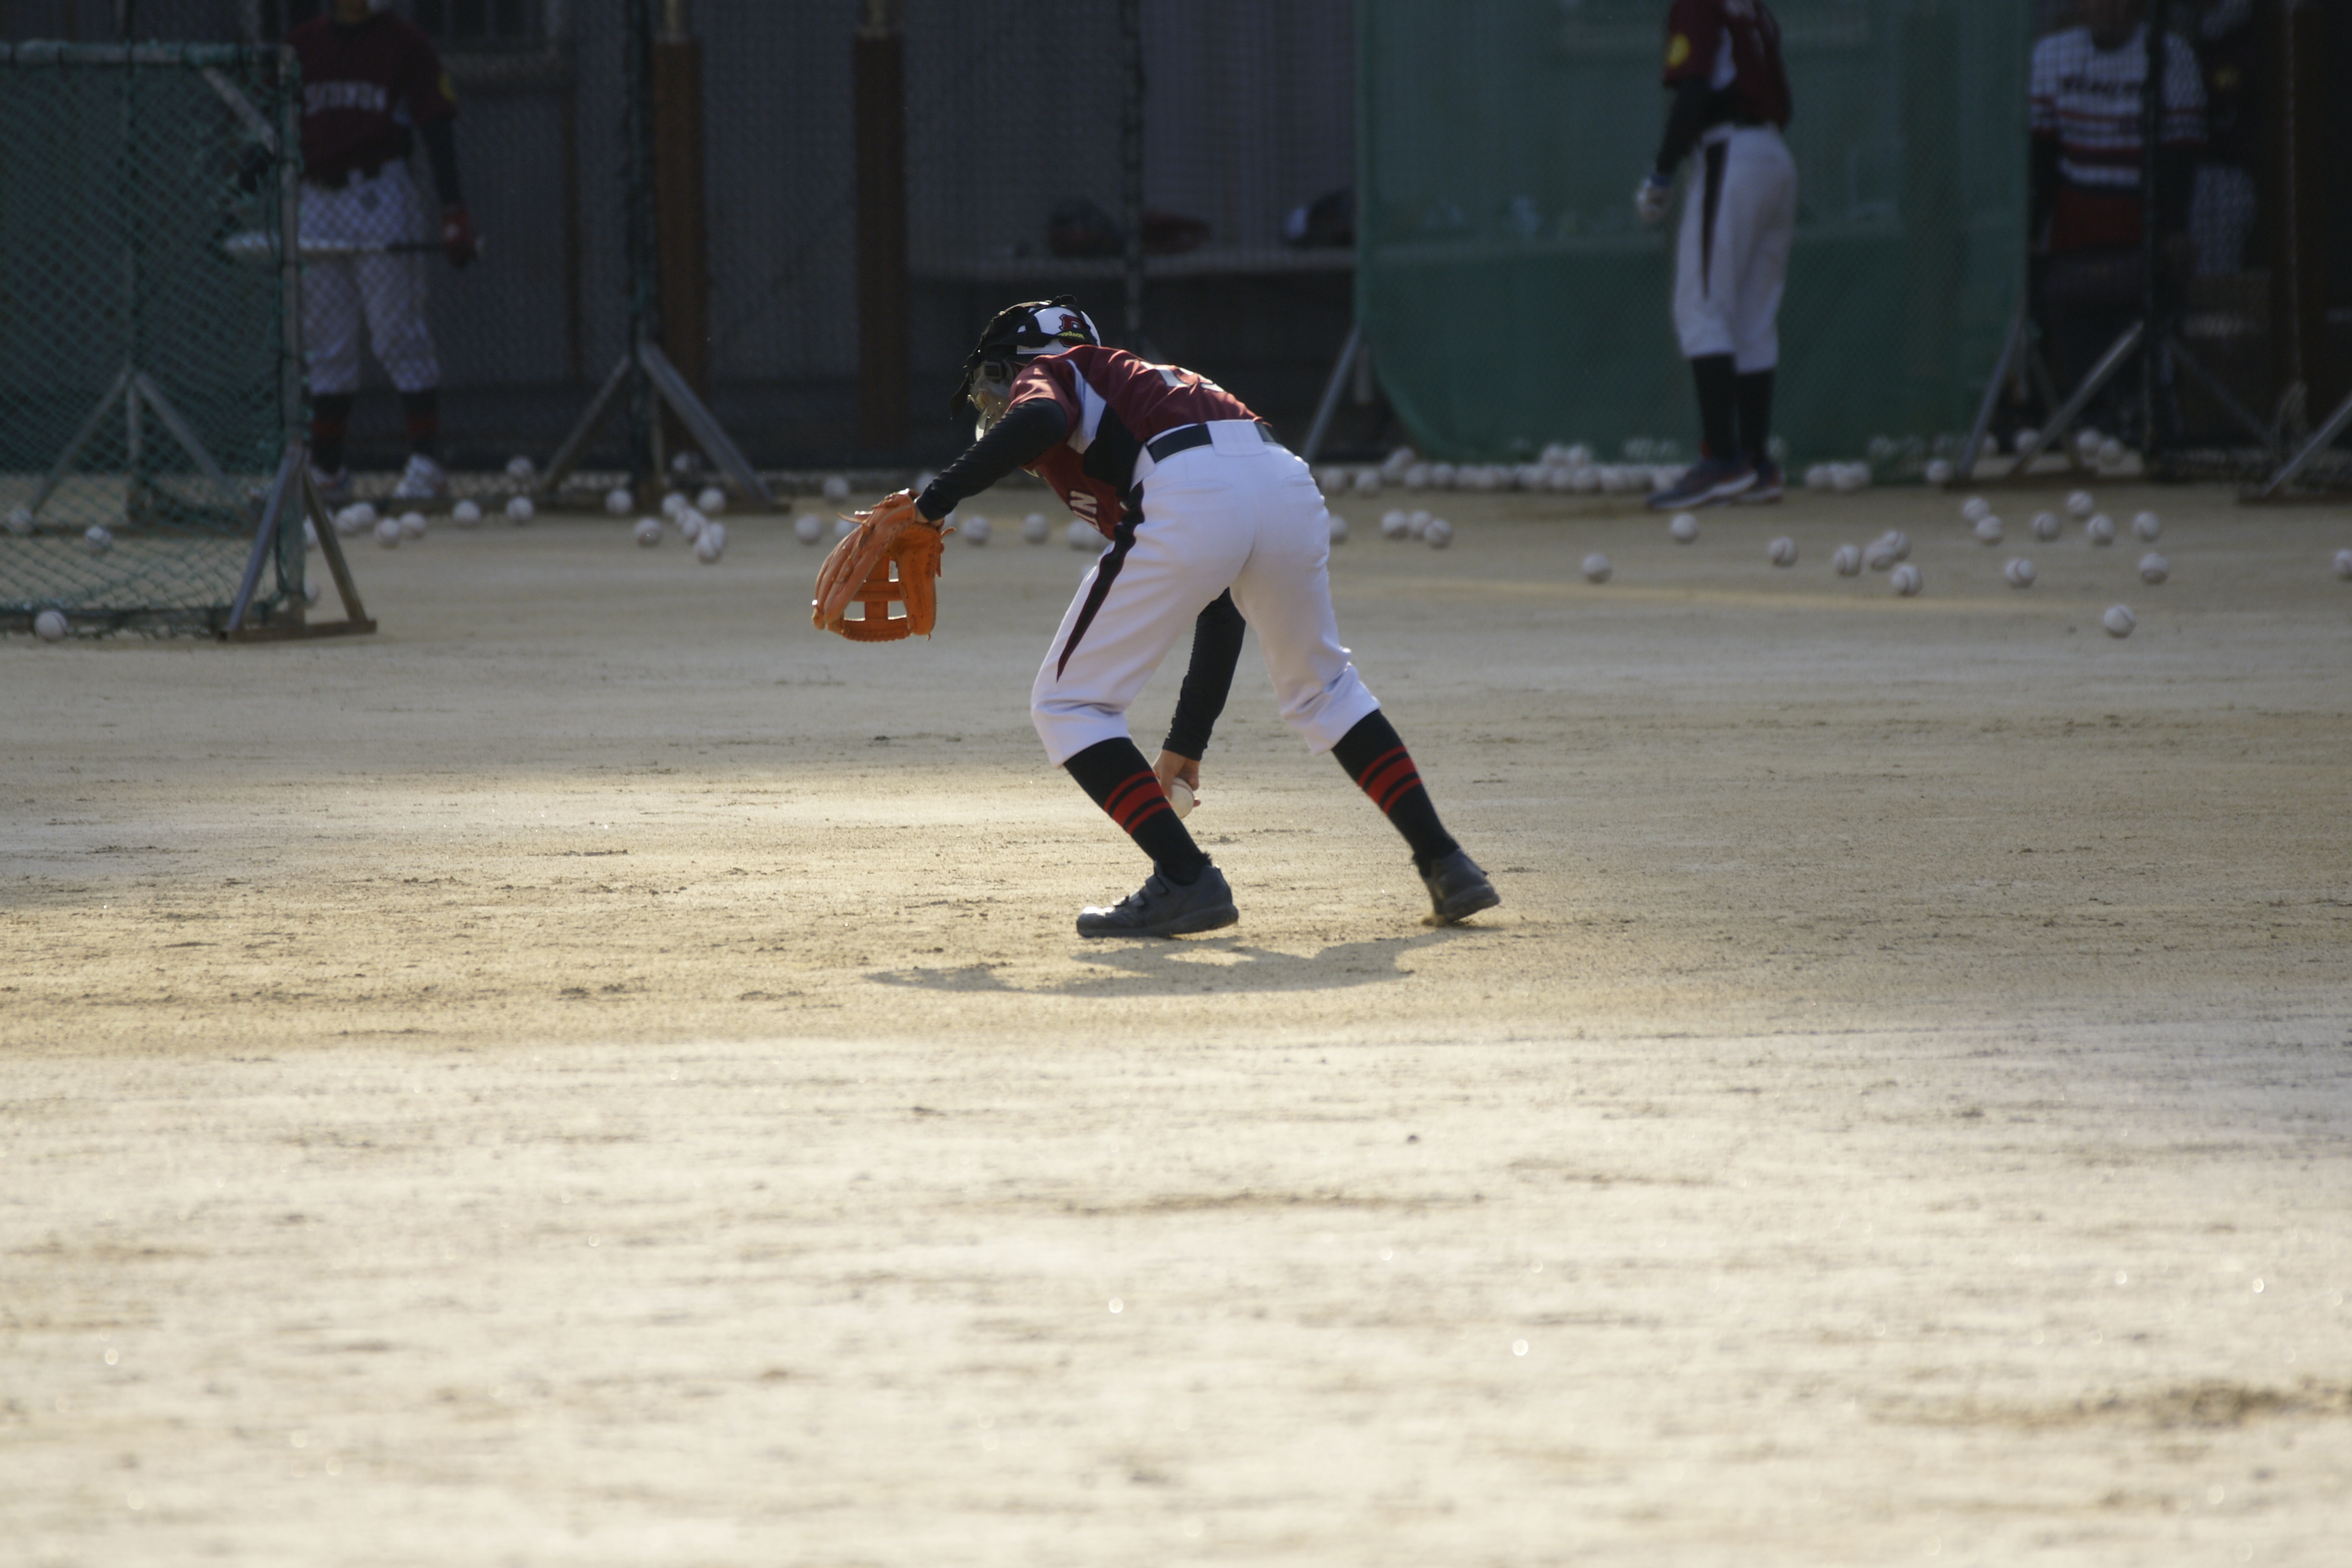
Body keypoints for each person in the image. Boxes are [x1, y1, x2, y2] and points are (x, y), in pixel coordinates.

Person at [907, 297, 1499, 938]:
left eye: (995, 386)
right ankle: (1447, 862)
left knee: (1068, 703)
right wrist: (1186, 743)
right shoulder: (1137, 390)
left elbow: (1042, 415)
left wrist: (930, 504)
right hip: (1281, 478)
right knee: (1325, 689)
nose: (995, 405)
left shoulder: (1057, 371)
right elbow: (1221, 609)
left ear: (1019, 365)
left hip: (1187, 480)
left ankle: (1186, 877)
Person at [289, 0, 479, 505]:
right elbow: (270, 125)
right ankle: (327, 468)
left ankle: (427, 463)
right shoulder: (304, 45)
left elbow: (435, 122)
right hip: (315, 196)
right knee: (325, 338)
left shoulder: (404, 43)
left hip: (378, 191)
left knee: (396, 328)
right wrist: (243, 185)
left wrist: (453, 208)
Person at [1635, 0, 1796, 511]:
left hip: (1731, 153)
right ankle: (1756, 464)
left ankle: (1723, 461)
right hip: (1774, 155)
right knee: (1753, 319)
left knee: (1701, 307)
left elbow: (1694, 90)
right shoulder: (1751, 7)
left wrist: (1662, 173)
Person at [2029, 0, 2206, 432]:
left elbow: (2179, 155)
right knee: (2085, 372)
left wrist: (2174, 229)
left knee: (2146, 367)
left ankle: (2158, 427)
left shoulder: (2170, 55)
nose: (2107, 10)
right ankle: (2092, 430)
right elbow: (2041, 156)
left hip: (2143, 240)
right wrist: (2031, 234)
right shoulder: (2052, 54)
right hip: (2075, 244)